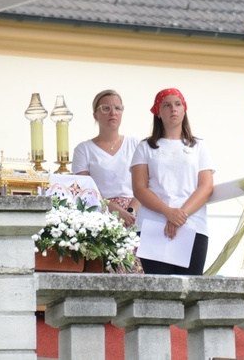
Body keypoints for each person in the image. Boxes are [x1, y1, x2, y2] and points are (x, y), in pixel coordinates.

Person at [131, 88, 214, 275]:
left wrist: (180, 215)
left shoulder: (199, 146)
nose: (173, 109)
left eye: (178, 104)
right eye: (166, 105)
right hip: (153, 226)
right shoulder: (145, 147)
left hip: (192, 225)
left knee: (190, 288)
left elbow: (206, 186)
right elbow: (140, 188)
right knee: (160, 290)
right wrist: (168, 212)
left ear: (184, 110)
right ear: (158, 112)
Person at [71, 89, 143, 273]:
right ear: (95, 114)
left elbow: (145, 183)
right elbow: (85, 189)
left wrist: (130, 211)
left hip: (135, 214)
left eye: (117, 108)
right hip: (101, 214)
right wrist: (115, 211)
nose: (113, 112)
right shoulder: (84, 149)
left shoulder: (136, 144)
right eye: (106, 108)